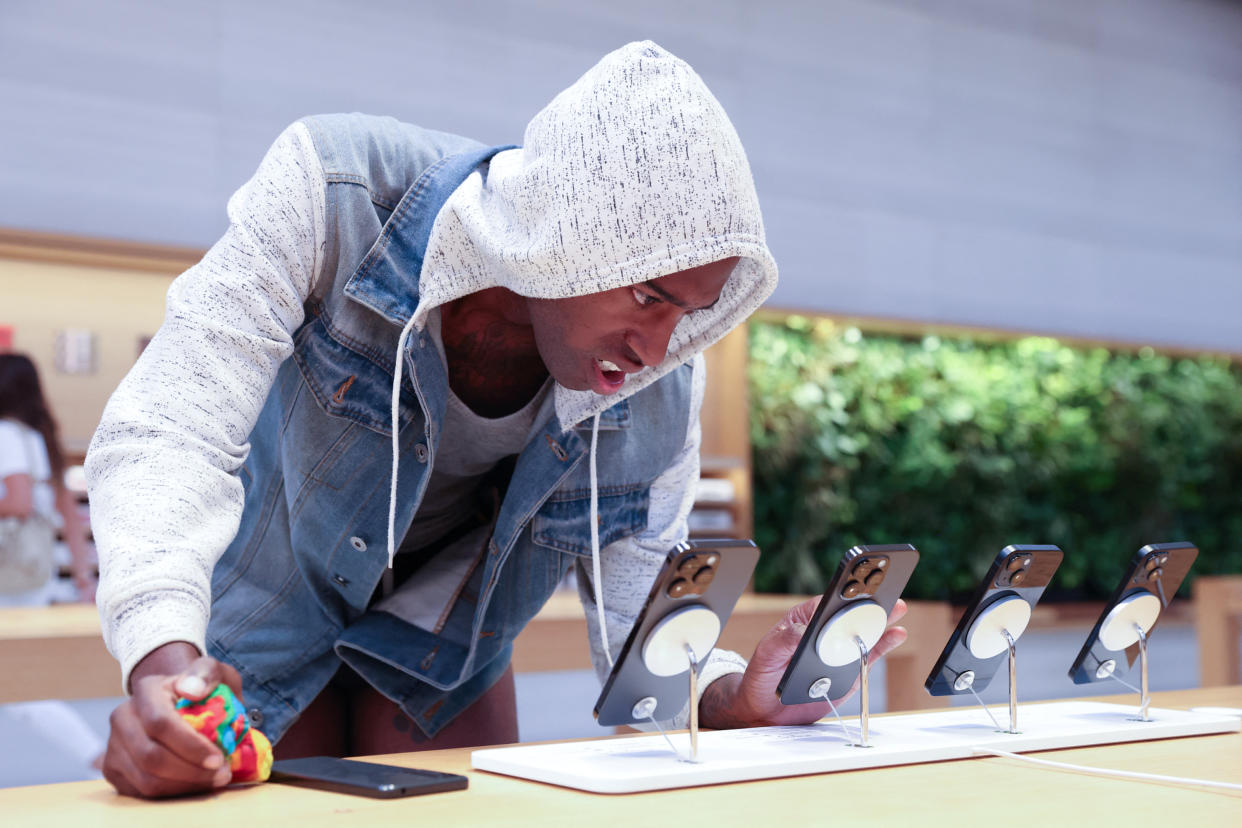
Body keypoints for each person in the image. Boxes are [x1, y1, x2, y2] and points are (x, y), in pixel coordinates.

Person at [86, 41, 908, 799]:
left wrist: (737, 699)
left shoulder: (662, 383)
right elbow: (170, 427)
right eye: (650, 295)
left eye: (688, 312)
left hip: (446, 644)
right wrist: (165, 661)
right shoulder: (336, 194)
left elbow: (643, 635)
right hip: (262, 614)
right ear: (568, 240)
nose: (661, 347)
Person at [0, 353, 94, 605]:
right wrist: (83, 578)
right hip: (36, 572)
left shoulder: (6, 434)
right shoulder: (39, 438)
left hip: (8, 575)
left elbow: (19, 503)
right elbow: (70, 515)